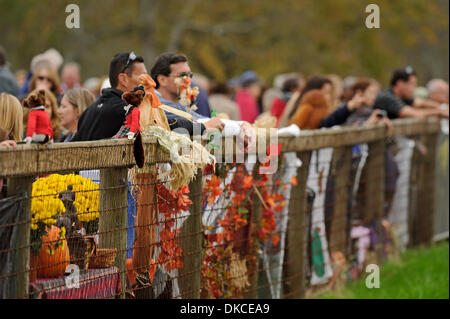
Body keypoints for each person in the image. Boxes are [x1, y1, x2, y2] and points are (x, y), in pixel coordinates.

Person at [72, 52, 148, 141]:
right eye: (142, 76)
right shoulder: (129, 111)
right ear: (123, 79)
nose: (147, 81)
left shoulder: (88, 112)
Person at [150, 52, 224, 133]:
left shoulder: (180, 104)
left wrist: (238, 124)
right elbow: (198, 122)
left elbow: (201, 119)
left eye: (190, 75)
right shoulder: (153, 103)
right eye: (183, 75)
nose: (189, 81)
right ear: (162, 80)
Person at [373, 66, 449, 119]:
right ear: (400, 83)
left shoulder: (403, 97)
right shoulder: (387, 97)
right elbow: (415, 113)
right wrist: (440, 112)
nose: (415, 88)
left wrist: (443, 106)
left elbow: (421, 102)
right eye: (412, 84)